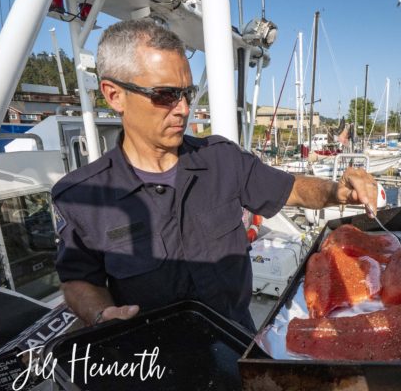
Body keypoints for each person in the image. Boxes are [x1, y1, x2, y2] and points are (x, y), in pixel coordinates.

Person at [52, 19, 378, 332]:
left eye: (187, 94)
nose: (182, 109)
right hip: (152, 360)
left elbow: (291, 188)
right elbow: (79, 280)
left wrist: (338, 191)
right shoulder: (84, 195)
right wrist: (101, 316)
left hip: (234, 341)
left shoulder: (222, 160)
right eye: (165, 95)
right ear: (114, 95)